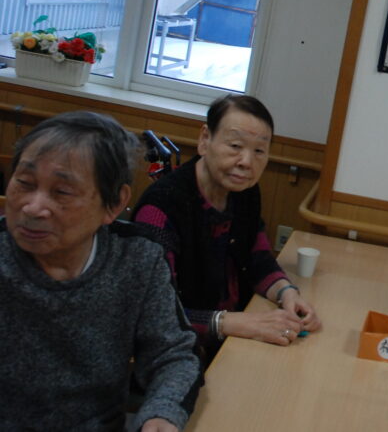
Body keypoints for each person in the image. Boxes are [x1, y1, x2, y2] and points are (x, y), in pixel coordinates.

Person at [0, 111, 201, 431]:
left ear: (114, 204)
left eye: (61, 192)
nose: (33, 208)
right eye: (24, 183)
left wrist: (162, 413)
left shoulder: (137, 259)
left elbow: (173, 355)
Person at [133, 94, 320, 361]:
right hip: (178, 353)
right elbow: (153, 313)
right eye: (235, 146)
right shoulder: (161, 208)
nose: (247, 162)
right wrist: (234, 323)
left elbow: (257, 258)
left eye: (259, 151)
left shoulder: (245, 192)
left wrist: (286, 292)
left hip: (233, 338)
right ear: (205, 139)